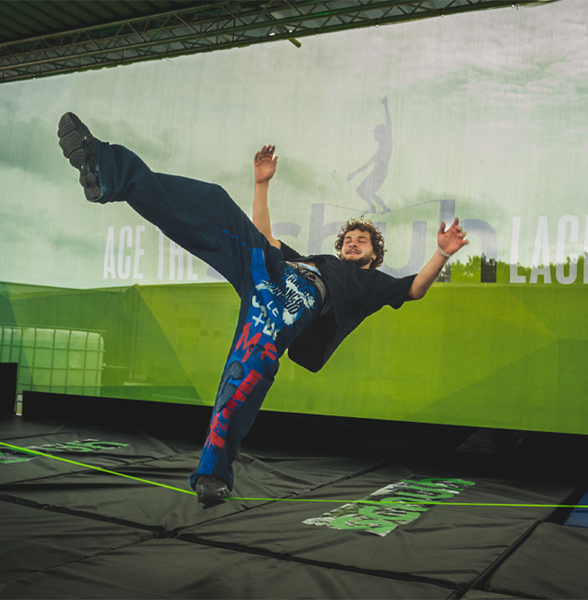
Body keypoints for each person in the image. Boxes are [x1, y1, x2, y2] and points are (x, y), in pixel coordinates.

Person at [57, 113, 468, 508]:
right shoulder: (315, 257)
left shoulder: (371, 283)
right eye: (349, 239)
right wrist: (261, 185)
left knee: (248, 368)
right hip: (272, 271)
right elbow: (265, 239)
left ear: (375, 255)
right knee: (215, 203)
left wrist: (442, 253)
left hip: (294, 300)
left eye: (363, 241)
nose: (353, 243)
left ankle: (213, 474)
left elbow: (414, 289)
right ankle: (104, 169)